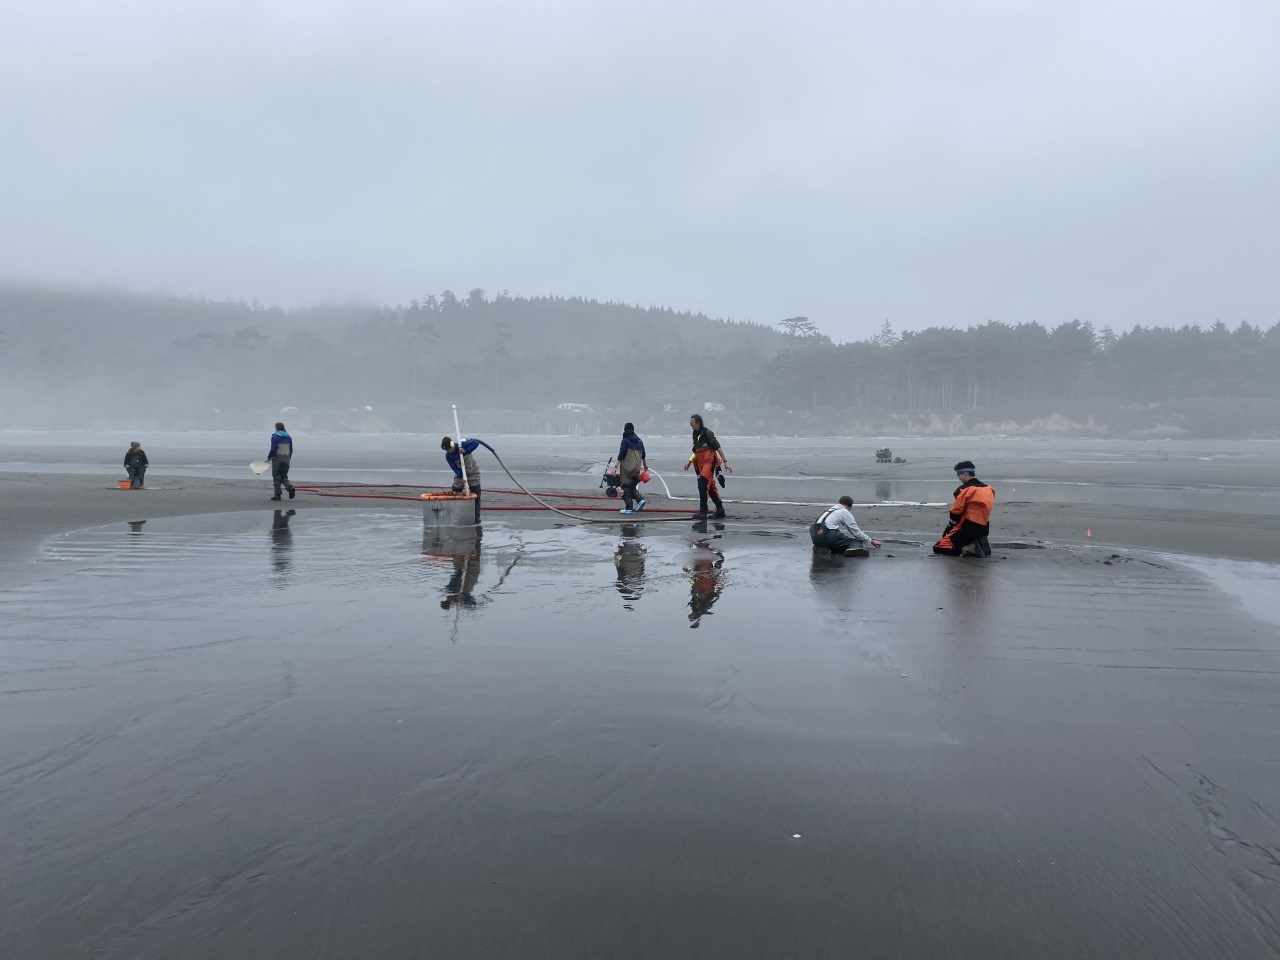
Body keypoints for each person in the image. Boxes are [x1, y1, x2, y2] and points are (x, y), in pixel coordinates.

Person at [933, 460, 995, 557]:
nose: (958, 478)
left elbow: (955, 511)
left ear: (965, 473)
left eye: (959, 474)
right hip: (984, 527)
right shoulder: (989, 489)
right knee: (967, 536)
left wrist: (950, 527)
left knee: (939, 547)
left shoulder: (964, 490)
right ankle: (978, 542)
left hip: (968, 526)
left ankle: (967, 548)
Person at [682, 414, 731, 520]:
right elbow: (696, 450)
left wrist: (725, 463)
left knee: (702, 483)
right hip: (700, 462)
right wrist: (690, 462)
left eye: (692, 424)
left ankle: (703, 511)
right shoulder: (695, 434)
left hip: (709, 461)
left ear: (698, 422)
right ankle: (720, 510)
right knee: (710, 486)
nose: (691, 426)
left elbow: (718, 448)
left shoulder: (707, 433)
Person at [441, 435, 495, 524]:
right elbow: (454, 467)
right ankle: (454, 515)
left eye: (449, 449)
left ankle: (476, 519)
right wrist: (461, 476)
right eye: (446, 450)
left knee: (476, 495)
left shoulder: (461, 444)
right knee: (454, 492)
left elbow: (476, 443)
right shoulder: (448, 456)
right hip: (460, 475)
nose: (449, 451)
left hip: (472, 472)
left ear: (451, 445)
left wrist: (465, 451)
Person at [810, 496, 882, 557]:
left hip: (815, 536)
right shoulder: (844, 512)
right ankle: (852, 550)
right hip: (828, 535)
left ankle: (821, 548)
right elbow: (855, 531)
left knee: (836, 541)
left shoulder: (828, 509)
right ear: (850, 505)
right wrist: (870, 541)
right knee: (856, 541)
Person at [615, 422, 648, 514]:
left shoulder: (625, 440)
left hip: (627, 468)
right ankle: (640, 500)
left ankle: (628, 508)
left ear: (625, 430)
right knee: (632, 485)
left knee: (626, 486)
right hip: (637, 467)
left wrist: (615, 466)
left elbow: (621, 454)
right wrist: (645, 466)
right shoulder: (639, 441)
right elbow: (643, 454)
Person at [267, 422, 296, 501]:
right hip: (286, 458)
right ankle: (290, 488)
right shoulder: (289, 437)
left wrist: (269, 457)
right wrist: (289, 458)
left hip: (278, 458)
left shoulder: (275, 436)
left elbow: (273, 448)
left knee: (276, 477)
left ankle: (277, 494)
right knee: (284, 476)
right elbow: (291, 449)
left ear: (276, 428)